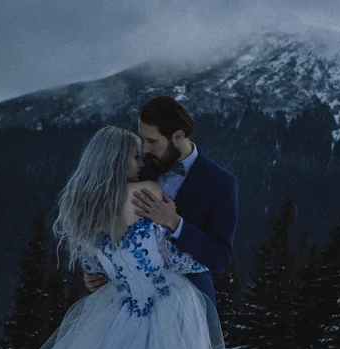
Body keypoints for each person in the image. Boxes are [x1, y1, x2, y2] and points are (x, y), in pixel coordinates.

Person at [1, 126, 231, 349]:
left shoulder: (84, 210)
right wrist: (201, 257)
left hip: (120, 311)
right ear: (117, 160)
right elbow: (171, 258)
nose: (141, 162)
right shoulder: (147, 192)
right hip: (170, 306)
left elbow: (96, 272)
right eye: (135, 156)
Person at [84, 96, 239, 307]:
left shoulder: (221, 183)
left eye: (152, 141)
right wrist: (97, 272)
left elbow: (220, 257)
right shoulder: (135, 166)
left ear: (178, 135)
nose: (145, 148)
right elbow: (101, 219)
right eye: (142, 138)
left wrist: (176, 223)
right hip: (130, 303)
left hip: (189, 305)